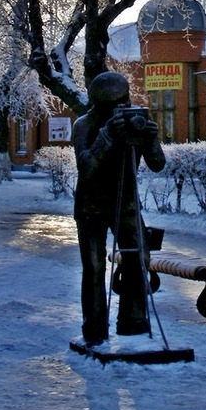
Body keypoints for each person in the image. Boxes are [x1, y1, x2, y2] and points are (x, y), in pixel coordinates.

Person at [72, 71, 167, 346]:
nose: (119, 110)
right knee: (93, 266)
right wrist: (108, 135)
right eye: (111, 106)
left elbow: (158, 164)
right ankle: (95, 328)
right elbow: (87, 168)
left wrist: (150, 139)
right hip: (91, 207)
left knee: (139, 258)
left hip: (125, 203)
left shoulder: (135, 120)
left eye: (122, 102)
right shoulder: (84, 125)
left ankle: (134, 322)